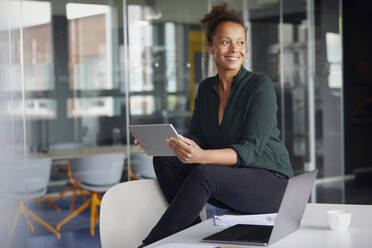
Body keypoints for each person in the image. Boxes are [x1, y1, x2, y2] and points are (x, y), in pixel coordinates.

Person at [135, 3, 293, 247]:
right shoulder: (207, 89)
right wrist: (168, 143)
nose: (235, 50)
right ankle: (191, 232)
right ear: (210, 46)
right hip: (231, 180)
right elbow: (199, 137)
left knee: (205, 171)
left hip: (271, 184)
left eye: (240, 42)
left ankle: (150, 244)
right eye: (225, 42)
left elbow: (250, 150)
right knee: (164, 159)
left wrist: (202, 155)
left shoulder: (259, 87)